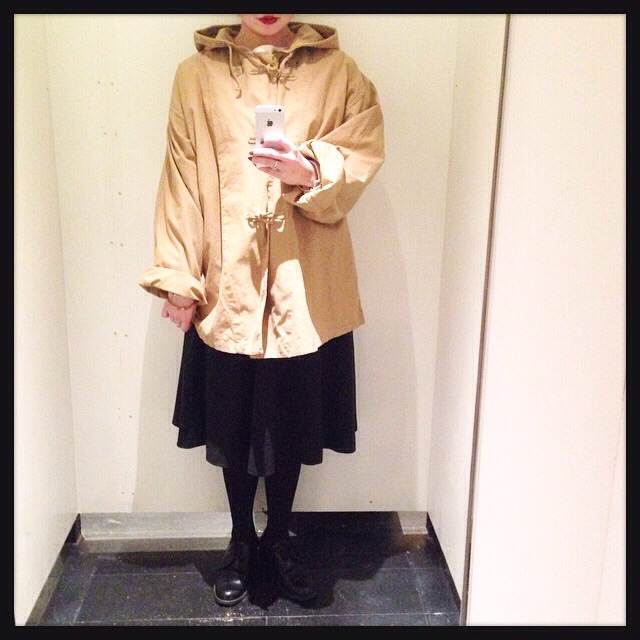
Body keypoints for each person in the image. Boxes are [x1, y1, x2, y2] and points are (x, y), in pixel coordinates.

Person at [138, 14, 384, 606]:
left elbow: (362, 151)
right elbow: (180, 178)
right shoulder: (196, 76)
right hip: (229, 284)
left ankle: (279, 540)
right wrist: (178, 278)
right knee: (233, 422)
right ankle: (241, 541)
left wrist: (309, 170)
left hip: (306, 286)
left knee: (291, 422)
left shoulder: (341, 73)